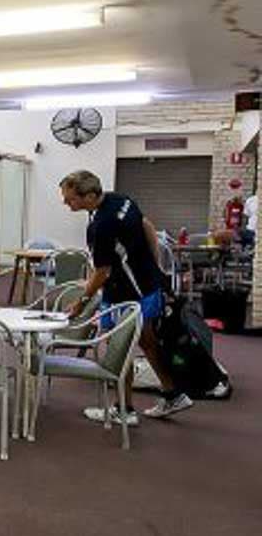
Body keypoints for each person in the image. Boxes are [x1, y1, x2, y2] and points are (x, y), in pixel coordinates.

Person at [58, 171, 191, 423]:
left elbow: (103, 271)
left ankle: (124, 409)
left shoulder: (102, 225)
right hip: (146, 285)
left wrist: (82, 302)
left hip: (125, 293)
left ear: (89, 196)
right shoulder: (121, 200)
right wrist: (155, 267)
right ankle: (173, 394)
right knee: (147, 342)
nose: (65, 202)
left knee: (120, 347)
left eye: (70, 198)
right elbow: (146, 226)